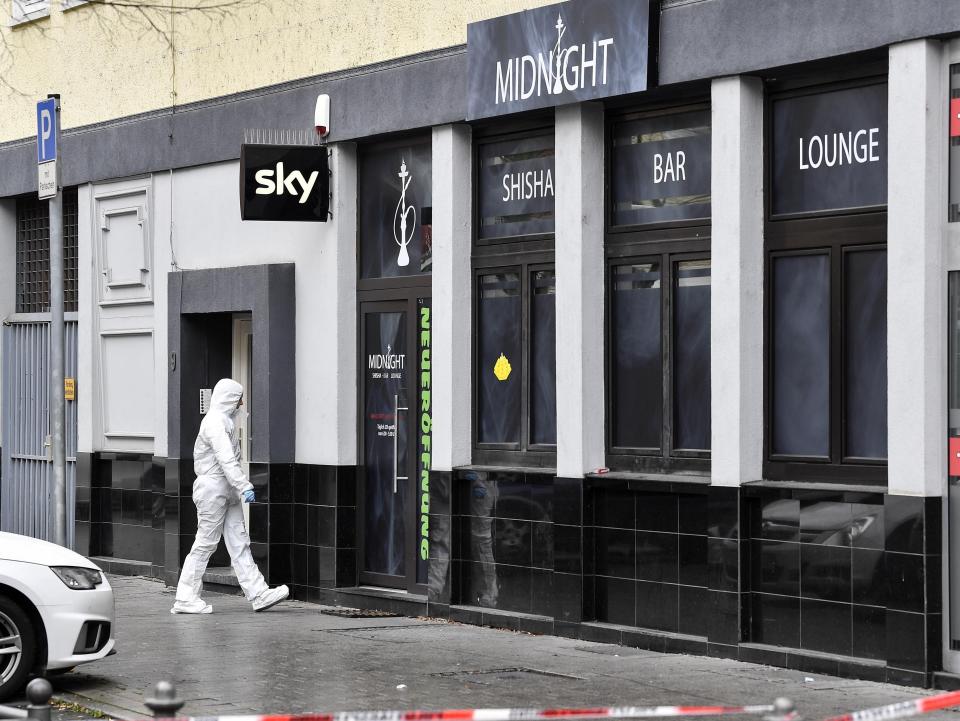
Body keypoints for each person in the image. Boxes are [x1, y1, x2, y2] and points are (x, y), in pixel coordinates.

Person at [171, 378, 288, 614]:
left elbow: (228, 460)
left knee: (239, 542)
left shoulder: (223, 421)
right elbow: (226, 458)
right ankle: (185, 597)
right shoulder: (215, 423)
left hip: (225, 489)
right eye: (239, 398)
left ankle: (258, 593)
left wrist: (238, 487)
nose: (242, 403)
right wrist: (243, 485)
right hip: (213, 489)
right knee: (206, 542)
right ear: (230, 399)